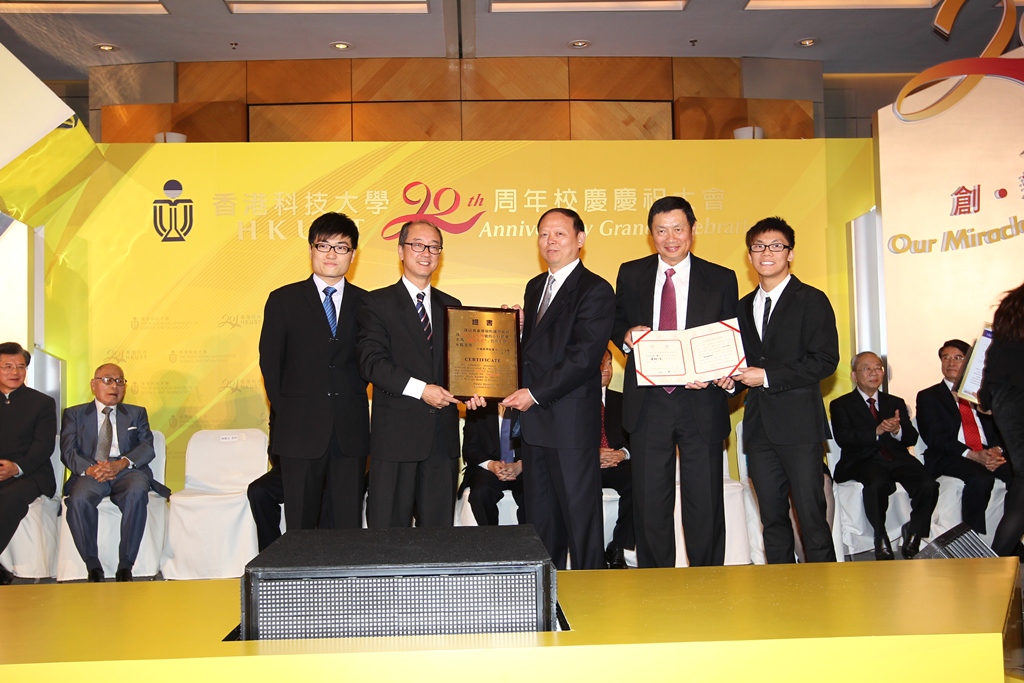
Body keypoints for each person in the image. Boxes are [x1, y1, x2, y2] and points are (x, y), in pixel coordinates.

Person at [611, 196, 737, 568]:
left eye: (678, 229)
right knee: (650, 503)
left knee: (705, 502)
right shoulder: (630, 273)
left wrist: (719, 375)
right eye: (661, 230)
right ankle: (657, 586)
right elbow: (616, 320)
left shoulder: (721, 277)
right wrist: (625, 336)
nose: (670, 238)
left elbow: (730, 338)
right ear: (651, 234)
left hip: (701, 402)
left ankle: (707, 583)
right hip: (649, 404)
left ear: (693, 231)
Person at [502, 207, 615, 570]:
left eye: (560, 234)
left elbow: (583, 357)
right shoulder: (536, 286)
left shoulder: (595, 289)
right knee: (541, 517)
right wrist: (514, 332)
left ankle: (591, 594)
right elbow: (540, 350)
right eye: (544, 234)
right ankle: (546, 595)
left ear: (580, 240)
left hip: (568, 423)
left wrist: (532, 394)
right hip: (536, 426)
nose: (550, 242)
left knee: (580, 520)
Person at [358, 220, 484, 528]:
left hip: (441, 441)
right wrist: (421, 389)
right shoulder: (377, 302)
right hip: (396, 439)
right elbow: (371, 362)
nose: (425, 252)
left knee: (438, 536)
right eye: (417, 245)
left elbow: (461, 367)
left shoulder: (452, 307)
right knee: (389, 535)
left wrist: (474, 392)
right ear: (401, 251)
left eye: (434, 247)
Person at [732, 217, 838, 563]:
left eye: (776, 246)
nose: (767, 253)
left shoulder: (811, 300)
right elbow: (739, 361)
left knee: (811, 516)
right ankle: (779, 594)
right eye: (759, 247)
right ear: (750, 256)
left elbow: (824, 360)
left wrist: (767, 376)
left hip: (799, 425)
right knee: (771, 518)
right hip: (759, 426)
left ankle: (826, 591)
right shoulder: (742, 307)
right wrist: (727, 377)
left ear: (790, 254)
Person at [259, 212, 370, 532]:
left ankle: (344, 582)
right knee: (302, 522)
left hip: (350, 431)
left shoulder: (367, 303)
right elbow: (271, 363)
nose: (332, 255)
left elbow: (372, 361)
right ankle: (301, 582)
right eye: (324, 246)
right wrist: (291, 413)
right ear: (310, 250)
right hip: (299, 431)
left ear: (354, 254)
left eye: (342, 247)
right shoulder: (283, 300)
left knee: (346, 521)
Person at [61, 363, 169, 581]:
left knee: (137, 491)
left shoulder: (136, 413)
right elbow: (68, 451)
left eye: (120, 381)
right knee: (79, 499)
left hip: (126, 471)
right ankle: (93, 565)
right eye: (108, 380)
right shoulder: (74, 414)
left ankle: (125, 566)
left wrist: (122, 463)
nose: (115, 386)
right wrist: (91, 469)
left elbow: (147, 446)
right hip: (92, 471)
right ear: (94, 385)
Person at [830, 352, 938, 560]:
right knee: (877, 483)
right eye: (866, 368)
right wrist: (876, 431)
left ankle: (915, 532)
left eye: (878, 368)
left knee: (928, 484)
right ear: (854, 376)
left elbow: (911, 438)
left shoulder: (895, 402)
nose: (874, 373)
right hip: (862, 460)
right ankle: (881, 537)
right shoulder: (841, 404)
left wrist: (897, 430)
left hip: (896, 458)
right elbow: (844, 438)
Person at [916, 339, 1010, 535]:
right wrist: (973, 455)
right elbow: (935, 438)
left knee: (1018, 476)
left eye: (958, 358)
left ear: (969, 363)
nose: (951, 362)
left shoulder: (983, 394)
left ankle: (1008, 535)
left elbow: (1002, 427)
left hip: (987, 452)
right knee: (981, 478)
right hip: (950, 456)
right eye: (946, 358)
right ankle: (971, 537)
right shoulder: (929, 396)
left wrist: (996, 451)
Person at [0, 342, 57, 586]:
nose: (15, 372)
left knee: (11, 496)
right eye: (7, 366)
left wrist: (16, 467)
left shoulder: (41, 402)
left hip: (30, 474)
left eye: (20, 367)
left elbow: (43, 446)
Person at [980, 280, 1024, 556]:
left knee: (1022, 483)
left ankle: (998, 559)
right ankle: (998, 558)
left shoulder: (1009, 310)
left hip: (1007, 403)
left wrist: (987, 397)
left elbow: (992, 357)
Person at [599, 349, 635, 569]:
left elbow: (636, 438)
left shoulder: (624, 400)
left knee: (638, 480)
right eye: (602, 363)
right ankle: (591, 550)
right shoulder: (576, 402)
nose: (607, 369)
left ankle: (618, 546)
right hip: (588, 465)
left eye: (610, 363)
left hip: (619, 463)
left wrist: (622, 454)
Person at [460, 402, 524, 526]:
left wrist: (520, 465)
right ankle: (491, 539)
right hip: (489, 469)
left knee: (534, 494)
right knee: (480, 493)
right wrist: (491, 465)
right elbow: (470, 448)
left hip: (524, 468)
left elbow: (540, 447)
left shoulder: (527, 404)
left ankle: (528, 539)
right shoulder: (479, 406)